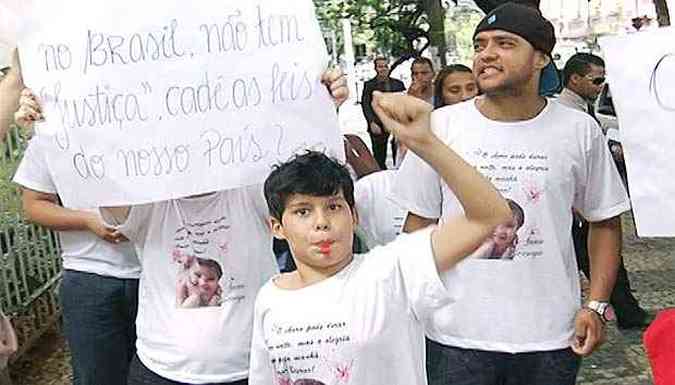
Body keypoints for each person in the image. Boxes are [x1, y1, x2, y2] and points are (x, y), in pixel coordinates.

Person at [392, 4, 630, 384]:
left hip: (551, 337)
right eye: (479, 44)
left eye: (504, 43)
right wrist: (407, 305)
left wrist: (597, 305)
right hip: (455, 337)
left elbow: (604, 221)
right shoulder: (439, 126)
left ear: (541, 59)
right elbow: (418, 224)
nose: (486, 54)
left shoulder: (578, 130)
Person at [97, 69, 347, 385]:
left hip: (253, 368)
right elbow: (96, 172)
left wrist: (322, 108)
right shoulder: (145, 200)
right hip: (161, 371)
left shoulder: (253, 188)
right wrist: (54, 119)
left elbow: (306, 180)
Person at [248, 92, 511, 384]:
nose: (321, 223)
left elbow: (489, 216)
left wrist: (426, 143)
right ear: (277, 227)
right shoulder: (270, 299)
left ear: (354, 215)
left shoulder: (392, 270)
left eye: (334, 207)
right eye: (302, 211)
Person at [14, 101, 141, 385]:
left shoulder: (159, 128)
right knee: (97, 375)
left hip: (158, 274)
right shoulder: (55, 132)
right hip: (88, 276)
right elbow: (34, 205)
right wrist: (87, 221)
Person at [559, 53, 651, 329]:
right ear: (574, 79)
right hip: (578, 209)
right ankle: (623, 312)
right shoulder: (565, 115)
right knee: (594, 260)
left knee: (606, 261)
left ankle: (627, 312)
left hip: (591, 204)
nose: (601, 86)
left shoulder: (583, 110)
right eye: (596, 80)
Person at [360, 57, 406, 170]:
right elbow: (366, 104)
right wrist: (371, 122)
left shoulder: (398, 84)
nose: (383, 69)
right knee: (379, 156)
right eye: (380, 66)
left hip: (396, 123)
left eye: (385, 66)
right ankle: (381, 175)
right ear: (375, 68)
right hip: (377, 124)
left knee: (400, 151)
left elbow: (404, 103)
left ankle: (398, 172)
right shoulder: (369, 85)